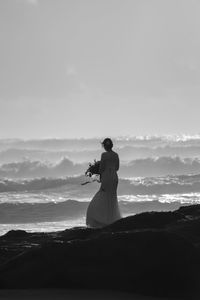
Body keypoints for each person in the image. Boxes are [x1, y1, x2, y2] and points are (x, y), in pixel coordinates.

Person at [86, 138, 121, 228]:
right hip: (114, 177)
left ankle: (101, 219)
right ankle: (112, 219)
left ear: (105, 146)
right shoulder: (116, 155)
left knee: (102, 195)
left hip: (107, 177)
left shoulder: (104, 155)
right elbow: (117, 168)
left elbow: (101, 169)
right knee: (112, 198)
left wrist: (96, 170)